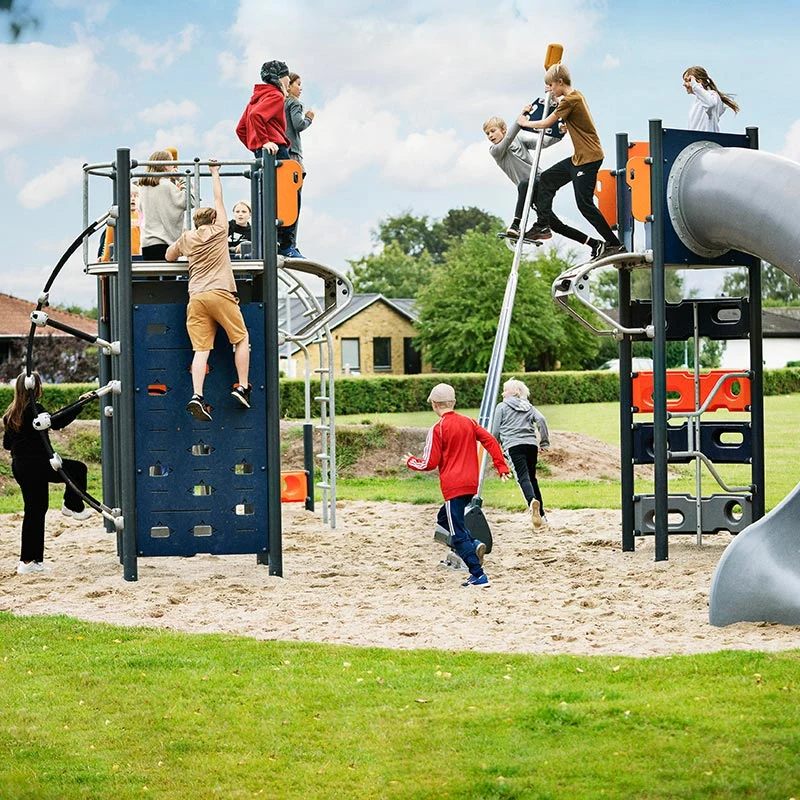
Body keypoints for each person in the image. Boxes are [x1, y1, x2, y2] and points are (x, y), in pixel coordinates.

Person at [165, 160, 252, 420]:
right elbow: (219, 198)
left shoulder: (187, 238)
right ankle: (243, 387)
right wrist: (215, 173)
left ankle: (197, 396)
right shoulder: (220, 230)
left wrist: (182, 242)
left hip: (196, 297)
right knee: (241, 339)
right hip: (221, 293)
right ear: (213, 219)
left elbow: (170, 257)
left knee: (201, 350)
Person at [404, 383, 510, 587]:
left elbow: (429, 463)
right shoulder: (469, 422)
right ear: (453, 402)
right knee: (443, 518)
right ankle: (475, 544)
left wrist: (411, 462)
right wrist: (501, 466)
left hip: (454, 486)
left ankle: (478, 575)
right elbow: (490, 440)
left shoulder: (438, 428)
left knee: (456, 533)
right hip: (470, 484)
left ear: (434, 405)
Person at [517, 64, 624, 261]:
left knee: (584, 205)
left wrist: (524, 123)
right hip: (579, 158)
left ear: (560, 82)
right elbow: (565, 113)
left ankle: (614, 244)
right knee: (548, 178)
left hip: (589, 158)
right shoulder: (576, 96)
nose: (549, 89)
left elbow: (545, 123)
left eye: (550, 85)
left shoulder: (570, 100)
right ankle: (542, 224)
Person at [3, 372, 94, 575]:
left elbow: (7, 445)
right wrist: (80, 404)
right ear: (36, 389)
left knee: (35, 511)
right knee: (79, 469)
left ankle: (29, 561)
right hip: (38, 465)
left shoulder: (11, 413)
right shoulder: (34, 411)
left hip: (21, 467)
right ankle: (72, 505)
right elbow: (58, 422)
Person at [236, 59, 297, 257]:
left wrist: (256, 146)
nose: (289, 82)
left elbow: (241, 129)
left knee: (267, 198)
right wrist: (264, 141)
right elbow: (256, 117)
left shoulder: (255, 98)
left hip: (263, 154)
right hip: (276, 151)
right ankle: (286, 244)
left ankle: (269, 241)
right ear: (280, 78)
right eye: (287, 78)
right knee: (290, 195)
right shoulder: (276, 96)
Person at [483, 113, 559, 239]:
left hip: (540, 180)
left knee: (524, 183)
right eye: (487, 134)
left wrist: (558, 134)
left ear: (503, 130)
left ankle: (515, 224)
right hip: (528, 192)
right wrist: (519, 122)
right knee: (556, 224)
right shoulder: (495, 151)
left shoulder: (519, 139)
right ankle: (593, 243)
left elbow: (542, 143)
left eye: (492, 131)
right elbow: (508, 139)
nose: (490, 135)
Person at [491, 378, 550, 530]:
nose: (502, 393)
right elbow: (541, 420)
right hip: (531, 445)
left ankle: (531, 502)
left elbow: (495, 431)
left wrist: (494, 446)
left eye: (505, 390)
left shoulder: (502, 407)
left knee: (522, 477)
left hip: (513, 445)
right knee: (532, 479)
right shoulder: (529, 406)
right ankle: (542, 517)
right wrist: (544, 443)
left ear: (514, 393)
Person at [139, 150, 191, 260]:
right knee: (169, 276)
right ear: (165, 165)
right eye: (171, 162)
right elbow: (189, 200)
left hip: (147, 242)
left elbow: (140, 208)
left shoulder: (143, 187)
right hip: (166, 242)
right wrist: (181, 178)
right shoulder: (167, 186)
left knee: (152, 276)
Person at [284, 72, 315, 257]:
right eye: (298, 84)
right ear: (290, 86)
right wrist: (309, 117)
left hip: (282, 157)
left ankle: (284, 242)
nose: (300, 88)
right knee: (295, 203)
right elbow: (298, 125)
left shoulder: (280, 104)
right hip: (293, 156)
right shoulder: (294, 103)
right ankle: (291, 245)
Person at [683, 66, 739, 133]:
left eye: (687, 81)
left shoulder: (712, 95)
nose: (684, 84)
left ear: (698, 81)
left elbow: (710, 104)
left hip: (707, 141)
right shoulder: (699, 100)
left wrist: (695, 86)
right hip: (697, 141)